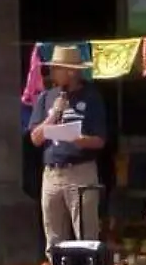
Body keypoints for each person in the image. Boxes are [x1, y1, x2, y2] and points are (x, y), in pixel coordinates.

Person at [28, 45, 109, 252]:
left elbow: (100, 140)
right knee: (54, 237)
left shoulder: (91, 97)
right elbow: (36, 138)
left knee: (85, 234)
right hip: (52, 174)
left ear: (71, 71)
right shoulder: (46, 97)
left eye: (57, 68)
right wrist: (54, 114)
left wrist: (80, 140)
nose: (53, 72)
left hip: (81, 170)